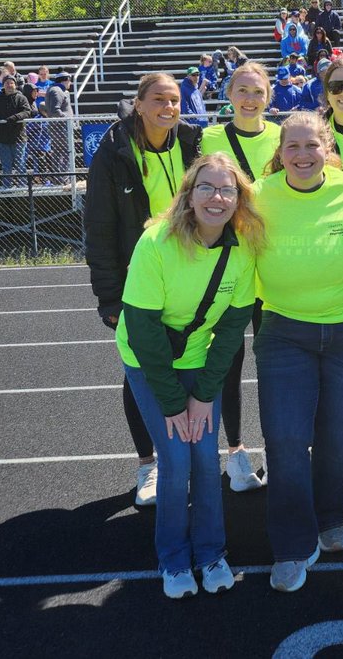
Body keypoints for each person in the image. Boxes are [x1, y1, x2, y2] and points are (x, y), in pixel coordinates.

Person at [118, 153, 264, 598]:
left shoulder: (242, 250)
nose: (216, 197)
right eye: (206, 188)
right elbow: (143, 330)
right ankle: (174, 560)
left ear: (239, 199)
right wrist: (172, 403)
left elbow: (231, 331)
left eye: (227, 189)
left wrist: (202, 395)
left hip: (199, 360)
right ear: (189, 193)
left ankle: (211, 552)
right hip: (148, 361)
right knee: (176, 459)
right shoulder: (157, 242)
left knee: (204, 457)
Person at [253, 111, 343, 592]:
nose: (304, 155)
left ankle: (330, 517)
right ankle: (290, 543)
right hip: (285, 331)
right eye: (294, 147)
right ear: (280, 153)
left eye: (313, 145)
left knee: (336, 435)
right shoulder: (259, 196)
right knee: (286, 440)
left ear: (328, 147)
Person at [85, 73, 204, 507]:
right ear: (138, 104)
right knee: (139, 370)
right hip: (140, 282)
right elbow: (99, 228)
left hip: (190, 277)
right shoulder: (115, 152)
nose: (168, 107)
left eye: (174, 100)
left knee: (189, 366)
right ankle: (147, 464)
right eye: (158, 99)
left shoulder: (192, 143)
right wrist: (109, 298)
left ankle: (188, 459)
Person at [198, 62, 281, 491]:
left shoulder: (282, 138)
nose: (250, 99)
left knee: (273, 363)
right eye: (243, 90)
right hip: (226, 263)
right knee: (226, 361)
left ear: (270, 96)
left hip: (269, 264)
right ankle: (234, 451)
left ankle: (278, 449)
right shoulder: (209, 137)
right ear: (229, 94)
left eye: (258, 91)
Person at [0, 76, 32, 189]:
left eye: (11, 83)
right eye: (7, 83)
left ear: (15, 84)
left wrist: (14, 117)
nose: (9, 85)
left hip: (18, 137)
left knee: (20, 163)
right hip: (2, 137)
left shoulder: (21, 98)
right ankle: (6, 186)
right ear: (3, 85)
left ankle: (22, 186)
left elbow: (27, 111)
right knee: (6, 165)